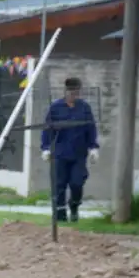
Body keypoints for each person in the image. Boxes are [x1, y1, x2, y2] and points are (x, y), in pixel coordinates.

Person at [41, 77, 99, 223]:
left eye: (76, 92)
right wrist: (46, 148)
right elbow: (47, 129)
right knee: (59, 184)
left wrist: (93, 147)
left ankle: (74, 206)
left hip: (78, 153)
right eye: (71, 92)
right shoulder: (56, 107)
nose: (74, 95)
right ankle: (60, 215)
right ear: (66, 91)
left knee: (77, 182)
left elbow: (91, 128)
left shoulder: (84, 108)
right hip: (60, 152)